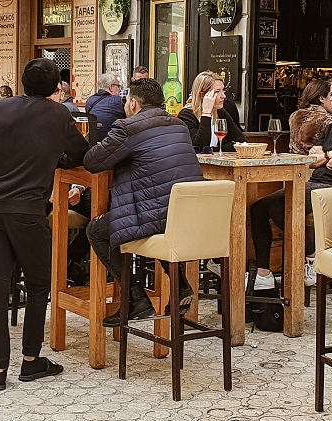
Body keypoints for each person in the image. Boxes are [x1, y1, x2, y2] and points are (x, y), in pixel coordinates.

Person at [0, 58, 89, 391]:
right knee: (38, 285)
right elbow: (80, 154)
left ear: (22, 83)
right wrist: (55, 156)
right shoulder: (59, 115)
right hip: (28, 211)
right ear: (56, 89)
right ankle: (31, 361)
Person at [83, 78, 205, 324]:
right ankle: (181, 286)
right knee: (154, 220)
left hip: (156, 217)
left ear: (133, 103)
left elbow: (92, 161)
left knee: (97, 230)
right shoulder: (179, 124)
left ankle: (135, 298)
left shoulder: (129, 127)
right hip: (184, 218)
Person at [250, 77, 332, 289]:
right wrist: (329, 155)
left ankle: (313, 256)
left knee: (282, 207)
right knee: (259, 208)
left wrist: (327, 155)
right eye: (331, 95)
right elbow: (313, 161)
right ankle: (264, 273)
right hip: (316, 183)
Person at [178, 71, 245, 153]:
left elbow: (241, 142)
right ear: (202, 95)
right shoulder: (186, 115)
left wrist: (212, 150)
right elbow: (198, 148)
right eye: (217, 91)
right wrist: (206, 113)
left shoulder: (220, 111)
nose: (223, 96)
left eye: (223, 90)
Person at [288, 79, 332, 155]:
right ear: (322, 99)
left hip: (293, 162)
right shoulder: (330, 121)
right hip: (316, 163)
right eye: (331, 95)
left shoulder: (294, 115)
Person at [85, 73, 126, 142]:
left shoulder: (89, 100)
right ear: (111, 87)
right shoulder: (118, 101)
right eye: (118, 86)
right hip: (111, 142)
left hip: (93, 141)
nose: (120, 90)